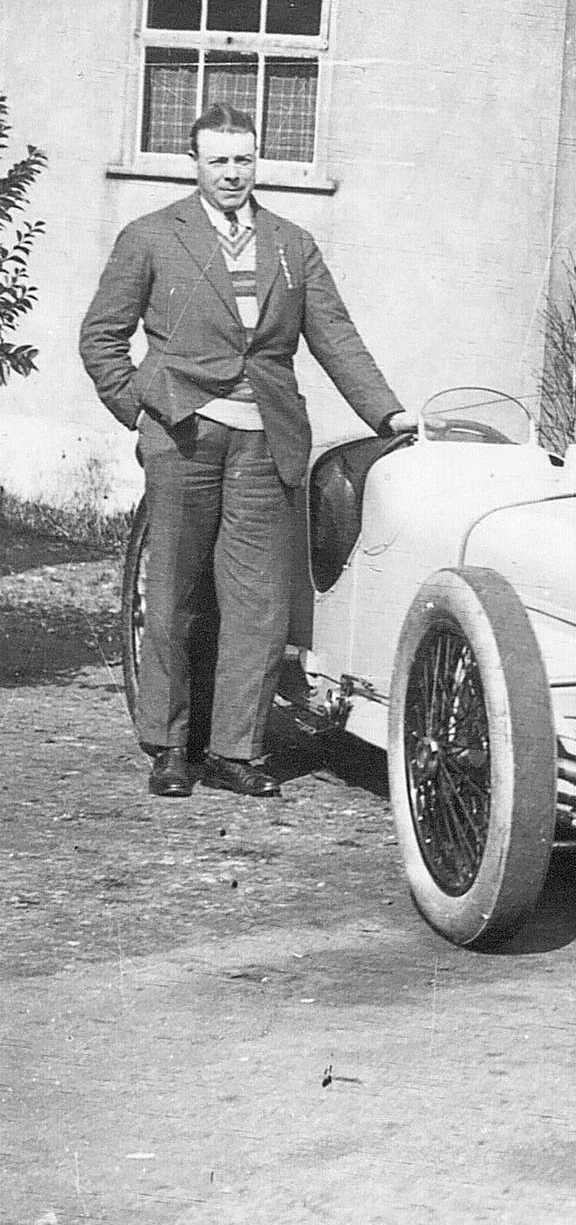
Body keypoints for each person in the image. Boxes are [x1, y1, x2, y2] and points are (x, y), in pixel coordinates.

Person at [81, 104, 416, 799]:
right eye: (218, 161)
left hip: (267, 443)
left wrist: (388, 414)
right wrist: (142, 416)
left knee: (258, 604)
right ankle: (170, 747)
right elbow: (101, 339)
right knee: (173, 593)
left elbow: (336, 337)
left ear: (255, 163)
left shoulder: (292, 245)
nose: (232, 174)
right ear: (195, 164)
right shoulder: (149, 237)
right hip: (183, 437)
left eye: (242, 160)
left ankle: (236, 751)